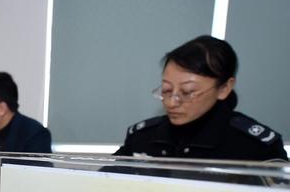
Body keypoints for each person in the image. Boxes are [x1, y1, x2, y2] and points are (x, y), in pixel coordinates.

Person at [116, 35, 287, 161]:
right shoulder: (142, 137)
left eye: (187, 92)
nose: (171, 102)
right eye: (167, 90)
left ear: (224, 88)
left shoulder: (254, 147)